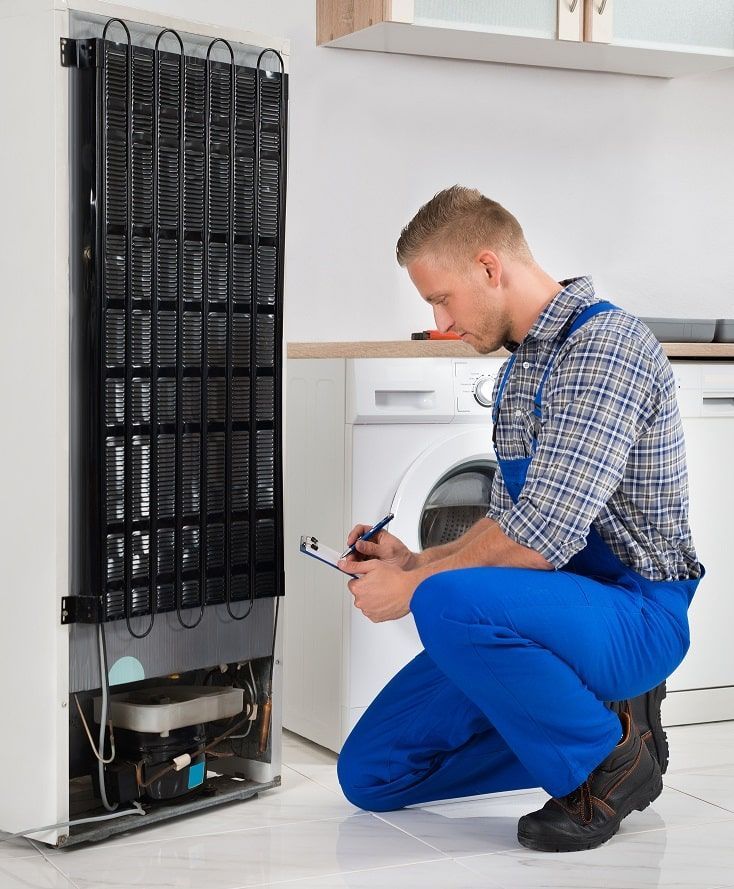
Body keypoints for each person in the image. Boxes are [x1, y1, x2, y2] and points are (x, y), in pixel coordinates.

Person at [335, 186, 703, 852]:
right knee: (371, 773)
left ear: (488, 266)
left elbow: (540, 539)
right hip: (561, 608)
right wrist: (410, 560)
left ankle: (606, 763)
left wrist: (417, 587)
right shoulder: (521, 370)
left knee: (445, 600)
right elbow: (511, 520)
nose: (441, 323)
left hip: (637, 613)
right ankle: (609, 727)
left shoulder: (605, 345)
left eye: (441, 298)